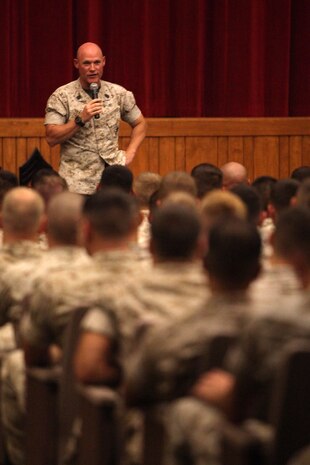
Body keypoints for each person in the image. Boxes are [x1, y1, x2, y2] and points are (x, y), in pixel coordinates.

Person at [44, 42, 147, 195]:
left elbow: (140, 123)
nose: (93, 68)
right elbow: (51, 137)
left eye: (97, 62)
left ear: (103, 62)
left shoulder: (118, 93)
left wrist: (130, 153)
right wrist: (80, 120)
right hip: (77, 183)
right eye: (87, 63)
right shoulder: (61, 96)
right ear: (76, 64)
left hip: (113, 182)